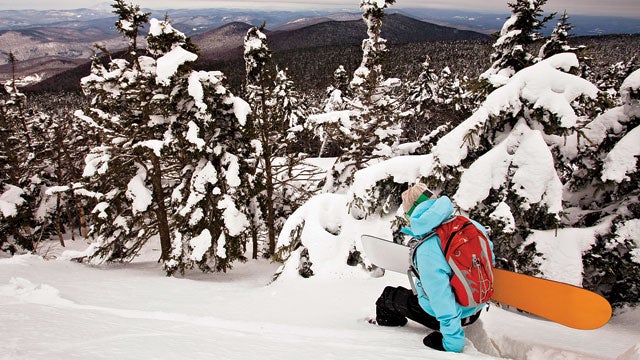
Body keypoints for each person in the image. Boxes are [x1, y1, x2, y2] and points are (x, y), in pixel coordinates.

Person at [373, 182, 494, 353]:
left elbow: (441, 297)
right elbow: (489, 257)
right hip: (476, 308)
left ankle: (382, 332)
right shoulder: (469, 224)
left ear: (413, 213)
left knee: (388, 297)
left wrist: (452, 341)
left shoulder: (428, 247)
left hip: (452, 319)